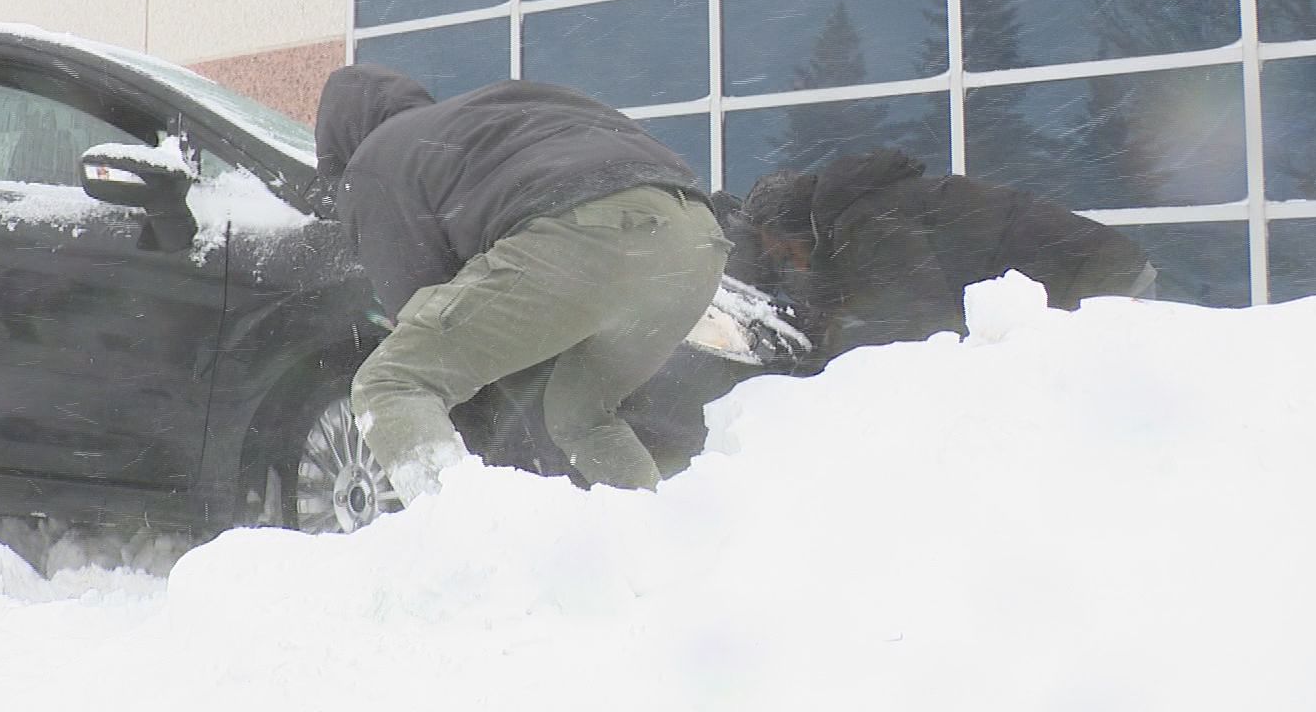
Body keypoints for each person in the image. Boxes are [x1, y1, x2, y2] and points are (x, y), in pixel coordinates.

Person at [315, 65, 730, 503]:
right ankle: (651, 526)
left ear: (340, 141)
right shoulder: (482, 117)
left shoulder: (374, 161)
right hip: (696, 241)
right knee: (581, 419)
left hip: (587, 235)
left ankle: (458, 531)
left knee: (393, 381)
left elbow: (418, 300)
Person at [729, 148, 1155, 362]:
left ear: (798, 228)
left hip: (1099, 283)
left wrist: (825, 358)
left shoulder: (870, 222)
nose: (793, 265)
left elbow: (917, 323)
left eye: (786, 252)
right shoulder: (862, 216)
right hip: (1095, 274)